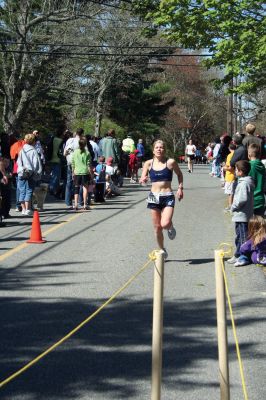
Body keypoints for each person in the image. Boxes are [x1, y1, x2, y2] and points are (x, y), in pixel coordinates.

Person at [139, 140, 184, 259]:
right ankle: (162, 249)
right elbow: (143, 177)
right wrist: (143, 179)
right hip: (154, 197)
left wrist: (180, 188)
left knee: (164, 223)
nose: (159, 149)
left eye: (161, 147)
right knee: (157, 227)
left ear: (164, 150)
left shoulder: (170, 162)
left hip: (167, 195)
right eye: (157, 147)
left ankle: (170, 226)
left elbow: (179, 174)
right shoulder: (148, 163)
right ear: (153, 150)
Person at [227, 160, 254, 266]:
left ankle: (244, 257)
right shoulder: (243, 182)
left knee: (243, 237)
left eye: (236, 170)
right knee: (239, 236)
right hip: (240, 216)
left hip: (243, 215)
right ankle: (238, 254)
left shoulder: (244, 184)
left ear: (241, 172)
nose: (235, 172)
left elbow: (241, 199)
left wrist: (232, 206)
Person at [17, 133, 42, 216]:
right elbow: (36, 164)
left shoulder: (21, 150)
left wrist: (21, 169)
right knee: (29, 190)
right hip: (30, 173)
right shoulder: (33, 151)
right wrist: (37, 173)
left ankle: (23, 209)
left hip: (21, 172)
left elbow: (18, 162)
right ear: (33, 141)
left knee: (22, 190)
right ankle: (28, 209)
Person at [71, 137, 92, 211]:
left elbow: (72, 163)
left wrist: (73, 172)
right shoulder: (87, 153)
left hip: (77, 172)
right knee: (85, 189)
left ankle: (76, 204)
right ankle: (85, 204)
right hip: (85, 172)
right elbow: (89, 165)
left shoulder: (75, 152)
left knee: (76, 188)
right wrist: (91, 175)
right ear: (85, 144)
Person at [248, 143, 265, 216]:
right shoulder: (262, 165)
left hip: (251, 199)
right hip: (261, 199)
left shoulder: (248, 166)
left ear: (248, 154)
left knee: (251, 225)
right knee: (260, 225)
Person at [222, 143, 236, 211]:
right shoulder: (237, 155)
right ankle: (232, 205)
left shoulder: (230, 155)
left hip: (230, 176)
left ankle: (230, 206)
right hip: (235, 176)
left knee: (230, 193)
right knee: (233, 192)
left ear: (229, 148)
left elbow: (229, 167)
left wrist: (224, 168)